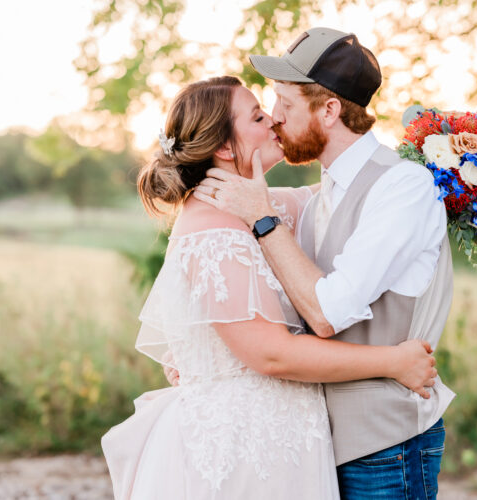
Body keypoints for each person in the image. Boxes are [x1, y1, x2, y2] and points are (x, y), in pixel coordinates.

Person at [100, 75, 438, 500]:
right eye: (259, 115)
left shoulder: (256, 204)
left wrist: (443, 161)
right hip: (248, 448)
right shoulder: (212, 228)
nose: (274, 121)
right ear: (225, 148)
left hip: (285, 439)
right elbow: (272, 354)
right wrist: (392, 362)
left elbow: (346, 189)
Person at [193, 28, 455, 499]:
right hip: (317, 448)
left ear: (329, 110)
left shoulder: (403, 188)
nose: (274, 119)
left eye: (285, 105)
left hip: (386, 447)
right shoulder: (318, 199)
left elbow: (328, 313)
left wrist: (261, 216)